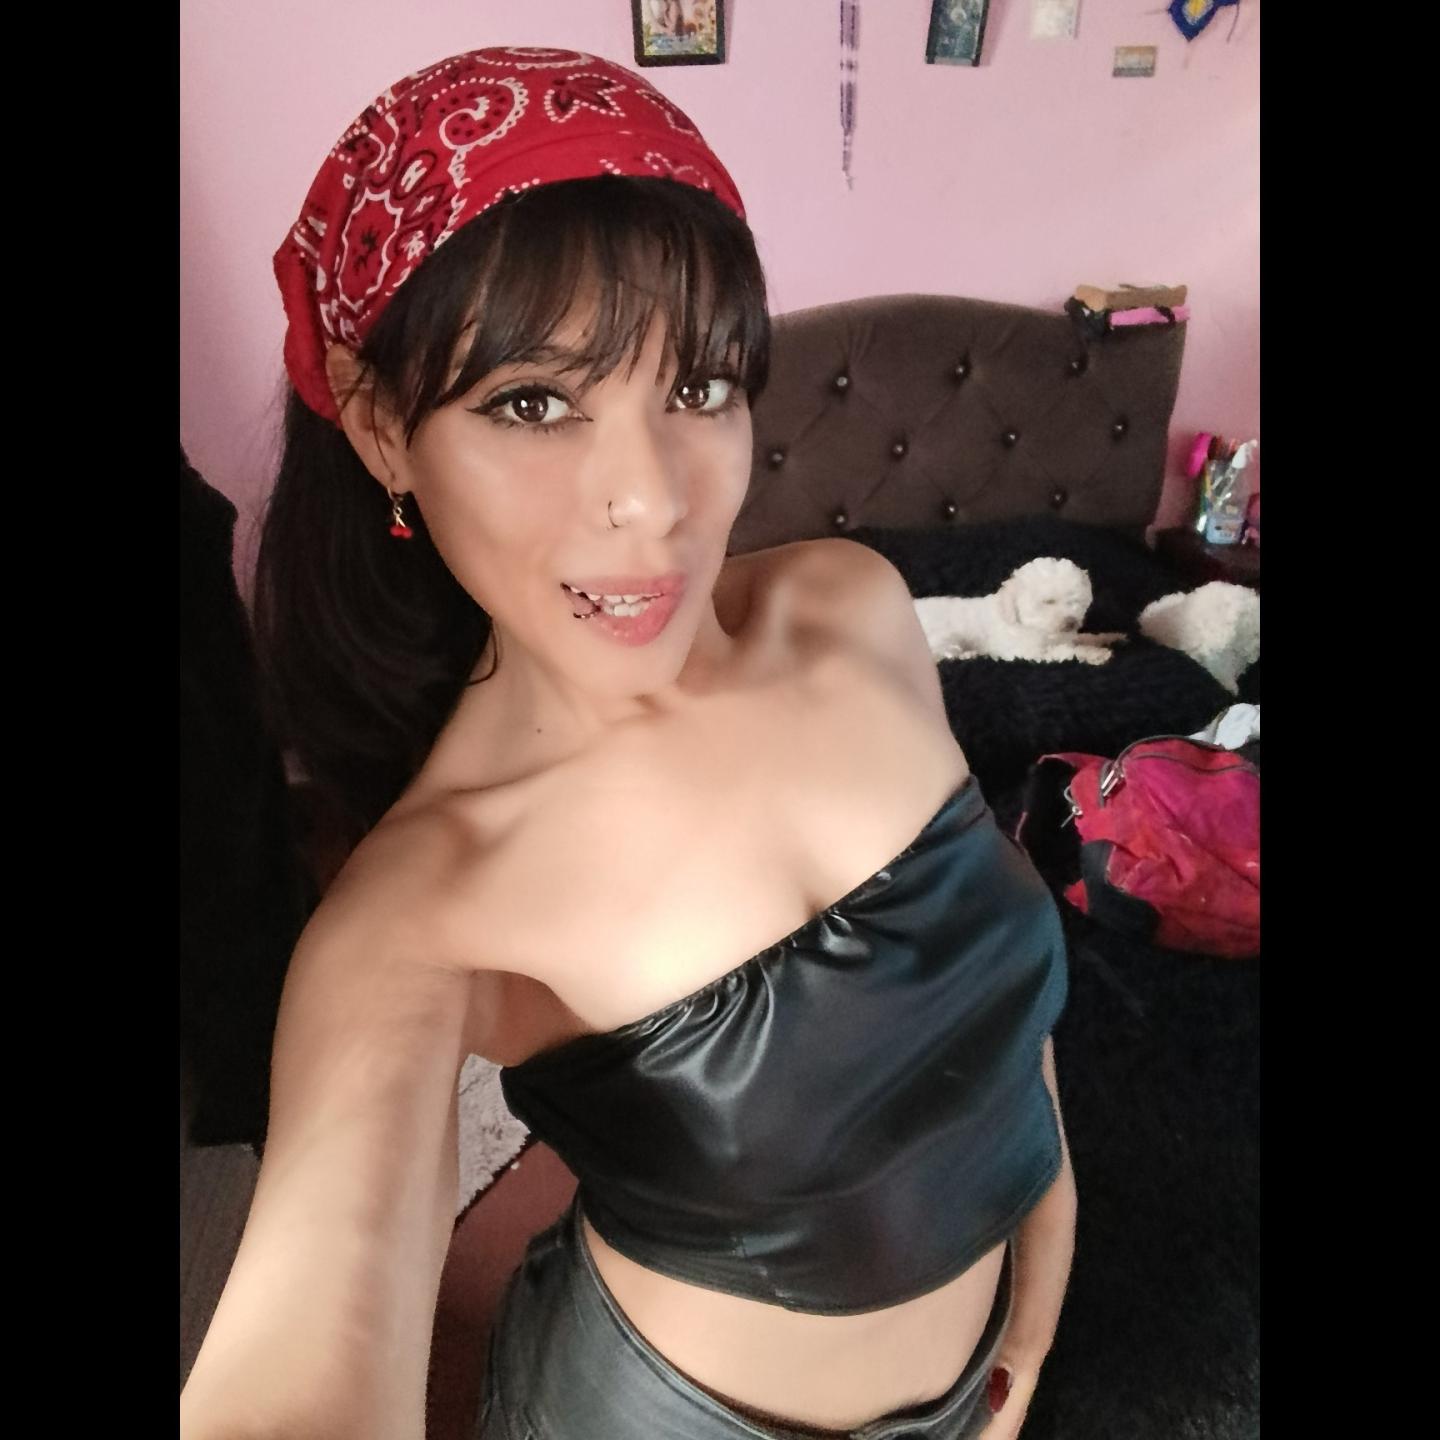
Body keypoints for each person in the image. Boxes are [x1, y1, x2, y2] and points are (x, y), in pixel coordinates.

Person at [179, 45, 1075, 1440]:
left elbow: (1003, 1015)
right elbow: (304, 1350)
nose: (650, 501)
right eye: (535, 403)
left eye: (699, 388)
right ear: (382, 427)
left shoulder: (851, 607)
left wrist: (1031, 1306)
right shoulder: (422, 913)